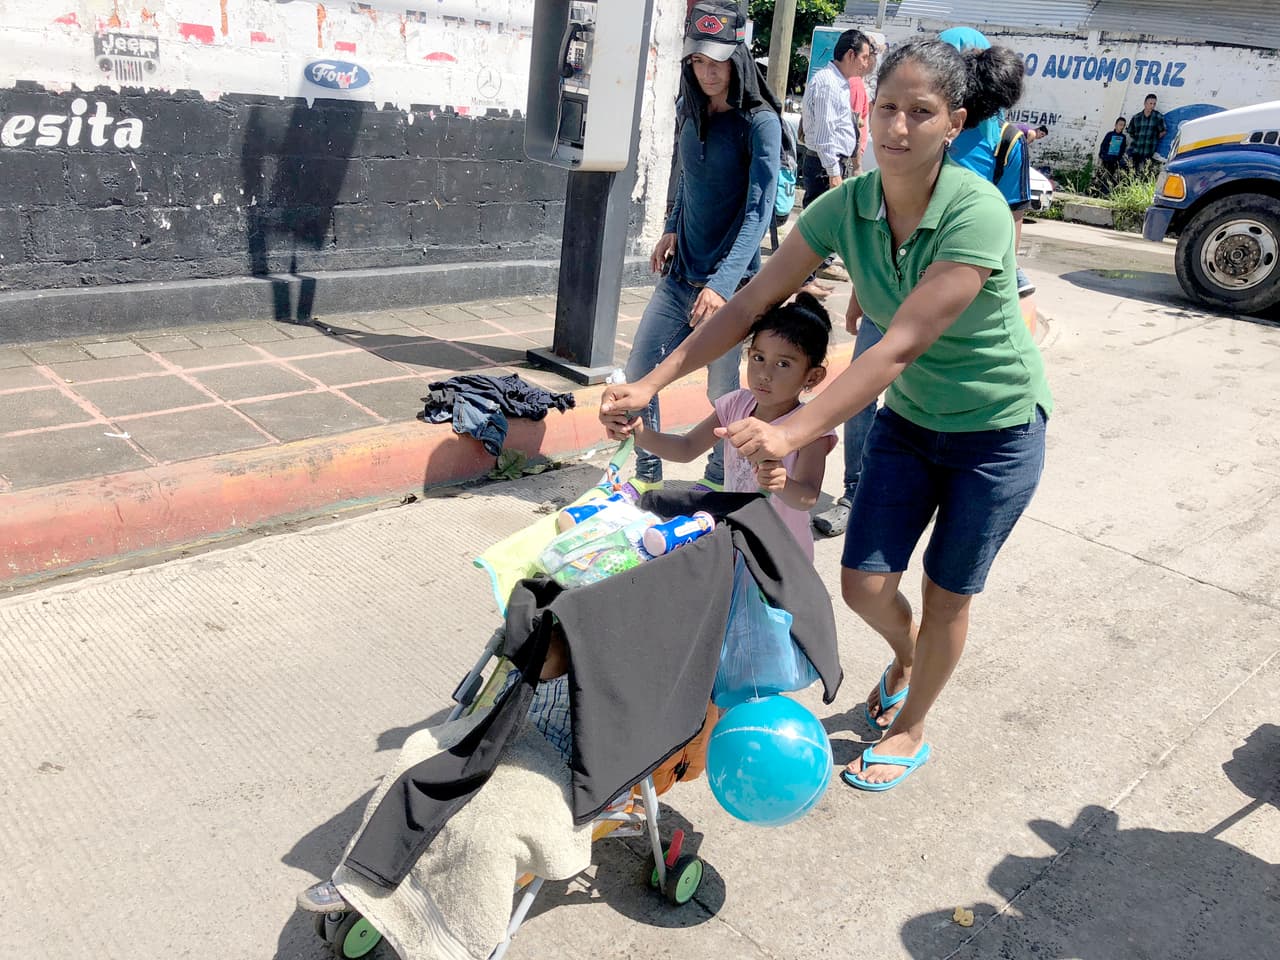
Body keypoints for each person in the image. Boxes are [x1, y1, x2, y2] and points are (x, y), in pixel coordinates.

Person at [601, 38, 1052, 792]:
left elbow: (897, 347)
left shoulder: (977, 215)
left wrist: (789, 430)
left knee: (947, 593)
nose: (898, 127)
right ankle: (909, 660)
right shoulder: (845, 206)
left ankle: (911, 724)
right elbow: (749, 303)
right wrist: (651, 384)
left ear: (955, 121)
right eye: (886, 107)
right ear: (865, 109)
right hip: (911, 425)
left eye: (922, 112)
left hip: (997, 433)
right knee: (865, 585)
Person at [625, 0, 781, 495]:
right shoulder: (689, 108)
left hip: (730, 290)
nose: (707, 72)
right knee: (638, 371)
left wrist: (721, 284)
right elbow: (684, 176)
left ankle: (718, 477)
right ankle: (647, 476)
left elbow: (759, 213)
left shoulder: (759, 123)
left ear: (737, 59)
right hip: (680, 278)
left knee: (722, 390)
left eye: (716, 62)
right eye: (697, 61)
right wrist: (671, 224)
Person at [623, 292, 838, 560]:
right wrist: (638, 434)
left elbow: (806, 498)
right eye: (759, 358)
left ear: (813, 376)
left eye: (783, 364)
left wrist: (782, 483)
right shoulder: (736, 404)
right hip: (737, 537)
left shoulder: (809, 429)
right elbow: (687, 448)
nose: (765, 374)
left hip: (781, 554)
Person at [938, 27, 1036, 300]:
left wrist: (1006, 272)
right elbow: (1014, 216)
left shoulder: (1007, 142)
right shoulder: (924, 129)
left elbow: (1013, 214)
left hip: (965, 271)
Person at [798, 29, 872, 299]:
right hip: (823, 162)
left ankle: (809, 275)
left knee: (824, 223)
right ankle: (802, 278)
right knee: (816, 222)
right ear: (851, 55)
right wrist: (833, 173)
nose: (867, 63)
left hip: (829, 162)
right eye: (864, 57)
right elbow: (827, 132)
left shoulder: (838, 82)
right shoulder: (828, 83)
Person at [1127, 94, 1167, 176]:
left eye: (1154, 104)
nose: (1152, 106)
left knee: (1143, 174)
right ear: (1145, 103)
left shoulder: (1158, 117)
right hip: (1135, 150)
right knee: (1130, 174)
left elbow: (1163, 131)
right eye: (1150, 103)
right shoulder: (1136, 117)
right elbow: (1131, 131)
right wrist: (1138, 139)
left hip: (1148, 151)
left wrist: (1153, 139)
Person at [1098, 117, 1129, 188]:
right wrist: (1102, 156)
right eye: (1120, 124)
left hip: (1114, 161)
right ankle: (1094, 191)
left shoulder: (1123, 137)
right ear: (1115, 125)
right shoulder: (1110, 134)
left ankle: (1104, 192)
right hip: (1106, 159)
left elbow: (1122, 149)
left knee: (1109, 177)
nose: (1121, 127)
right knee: (1100, 175)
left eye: (1123, 125)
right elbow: (1103, 145)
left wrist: (1118, 159)